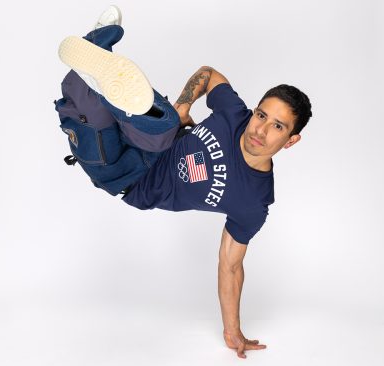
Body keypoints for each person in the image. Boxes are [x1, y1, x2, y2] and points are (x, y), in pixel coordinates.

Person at [54, 5, 312, 359]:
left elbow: (231, 265)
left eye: (277, 127)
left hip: (128, 177)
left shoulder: (254, 202)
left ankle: (100, 50)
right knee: (160, 125)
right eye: (261, 115)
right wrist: (183, 104)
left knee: (78, 91)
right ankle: (115, 79)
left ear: (291, 140)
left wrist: (232, 330)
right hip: (152, 135)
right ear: (253, 111)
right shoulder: (233, 114)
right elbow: (209, 73)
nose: (260, 129)